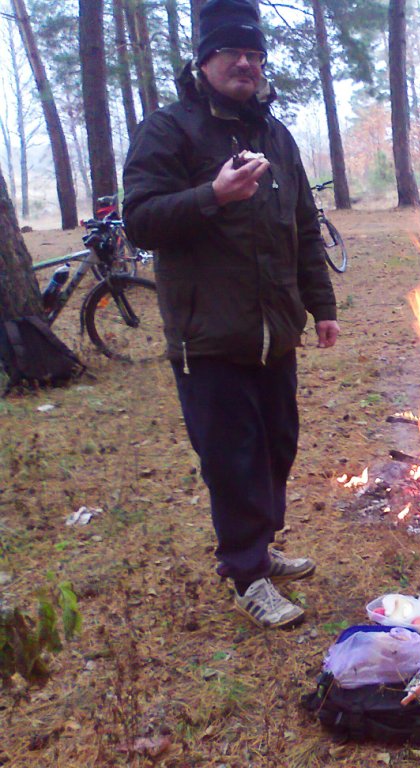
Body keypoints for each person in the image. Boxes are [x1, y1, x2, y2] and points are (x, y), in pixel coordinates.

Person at [122, 0, 340, 630]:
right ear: (204, 61)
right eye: (231, 53)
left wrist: (321, 307)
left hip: (276, 331)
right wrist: (212, 196)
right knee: (232, 457)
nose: (245, 64)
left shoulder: (276, 136)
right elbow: (141, 220)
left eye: (254, 54)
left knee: (276, 446)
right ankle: (246, 573)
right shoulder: (170, 130)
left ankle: (260, 548)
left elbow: (303, 227)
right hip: (209, 336)